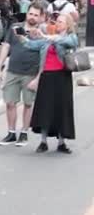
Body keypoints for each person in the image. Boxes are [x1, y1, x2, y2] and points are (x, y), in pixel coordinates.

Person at [21, 13, 78, 153]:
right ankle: (43, 141)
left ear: (67, 25)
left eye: (60, 22)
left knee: (61, 109)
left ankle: (61, 142)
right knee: (45, 109)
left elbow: (68, 43)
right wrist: (21, 37)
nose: (57, 24)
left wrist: (46, 36)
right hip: (47, 77)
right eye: (57, 21)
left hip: (62, 77)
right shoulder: (47, 40)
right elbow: (31, 45)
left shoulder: (70, 38)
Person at [0, 3, 45, 146]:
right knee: (10, 102)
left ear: (41, 17)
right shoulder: (15, 28)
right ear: (27, 13)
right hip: (13, 71)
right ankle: (11, 133)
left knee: (28, 104)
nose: (33, 17)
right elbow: (6, 47)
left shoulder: (41, 33)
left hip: (31, 72)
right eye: (31, 14)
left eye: (36, 15)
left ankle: (24, 133)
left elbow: (45, 55)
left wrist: (38, 77)